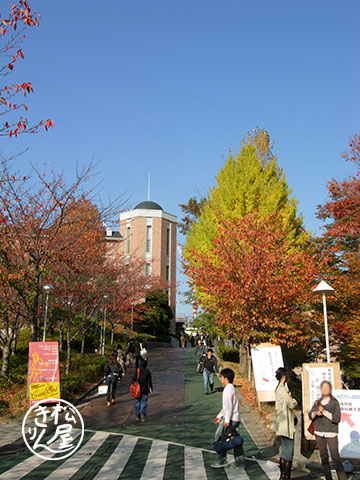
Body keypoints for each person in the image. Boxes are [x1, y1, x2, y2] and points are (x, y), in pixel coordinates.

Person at [309, 381, 346, 480]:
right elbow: (310, 415)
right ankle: (328, 478)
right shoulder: (318, 402)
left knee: (335, 458)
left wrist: (324, 412)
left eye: (327, 388)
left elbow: (337, 418)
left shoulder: (334, 402)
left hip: (331, 432)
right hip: (319, 432)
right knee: (323, 458)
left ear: (330, 389)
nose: (325, 390)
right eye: (323, 388)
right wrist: (316, 413)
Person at [211, 368, 244, 469]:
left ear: (226, 378)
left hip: (230, 419)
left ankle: (222, 459)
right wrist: (219, 416)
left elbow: (228, 406)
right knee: (234, 439)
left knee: (219, 437)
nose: (220, 379)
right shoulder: (231, 388)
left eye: (221, 377)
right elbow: (226, 407)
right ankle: (239, 462)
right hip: (234, 418)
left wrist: (226, 420)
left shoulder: (228, 389)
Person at [273, 367, 297, 480]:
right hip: (285, 423)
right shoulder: (282, 389)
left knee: (285, 450)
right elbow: (291, 404)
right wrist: (295, 400)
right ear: (283, 377)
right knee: (289, 450)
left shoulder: (279, 388)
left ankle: (283, 475)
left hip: (282, 422)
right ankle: (285, 476)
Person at [133, 357, 153, 422]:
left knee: (137, 402)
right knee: (144, 401)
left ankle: (137, 416)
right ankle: (142, 411)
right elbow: (149, 381)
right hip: (145, 388)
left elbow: (133, 379)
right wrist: (151, 388)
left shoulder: (137, 371)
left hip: (137, 389)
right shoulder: (148, 372)